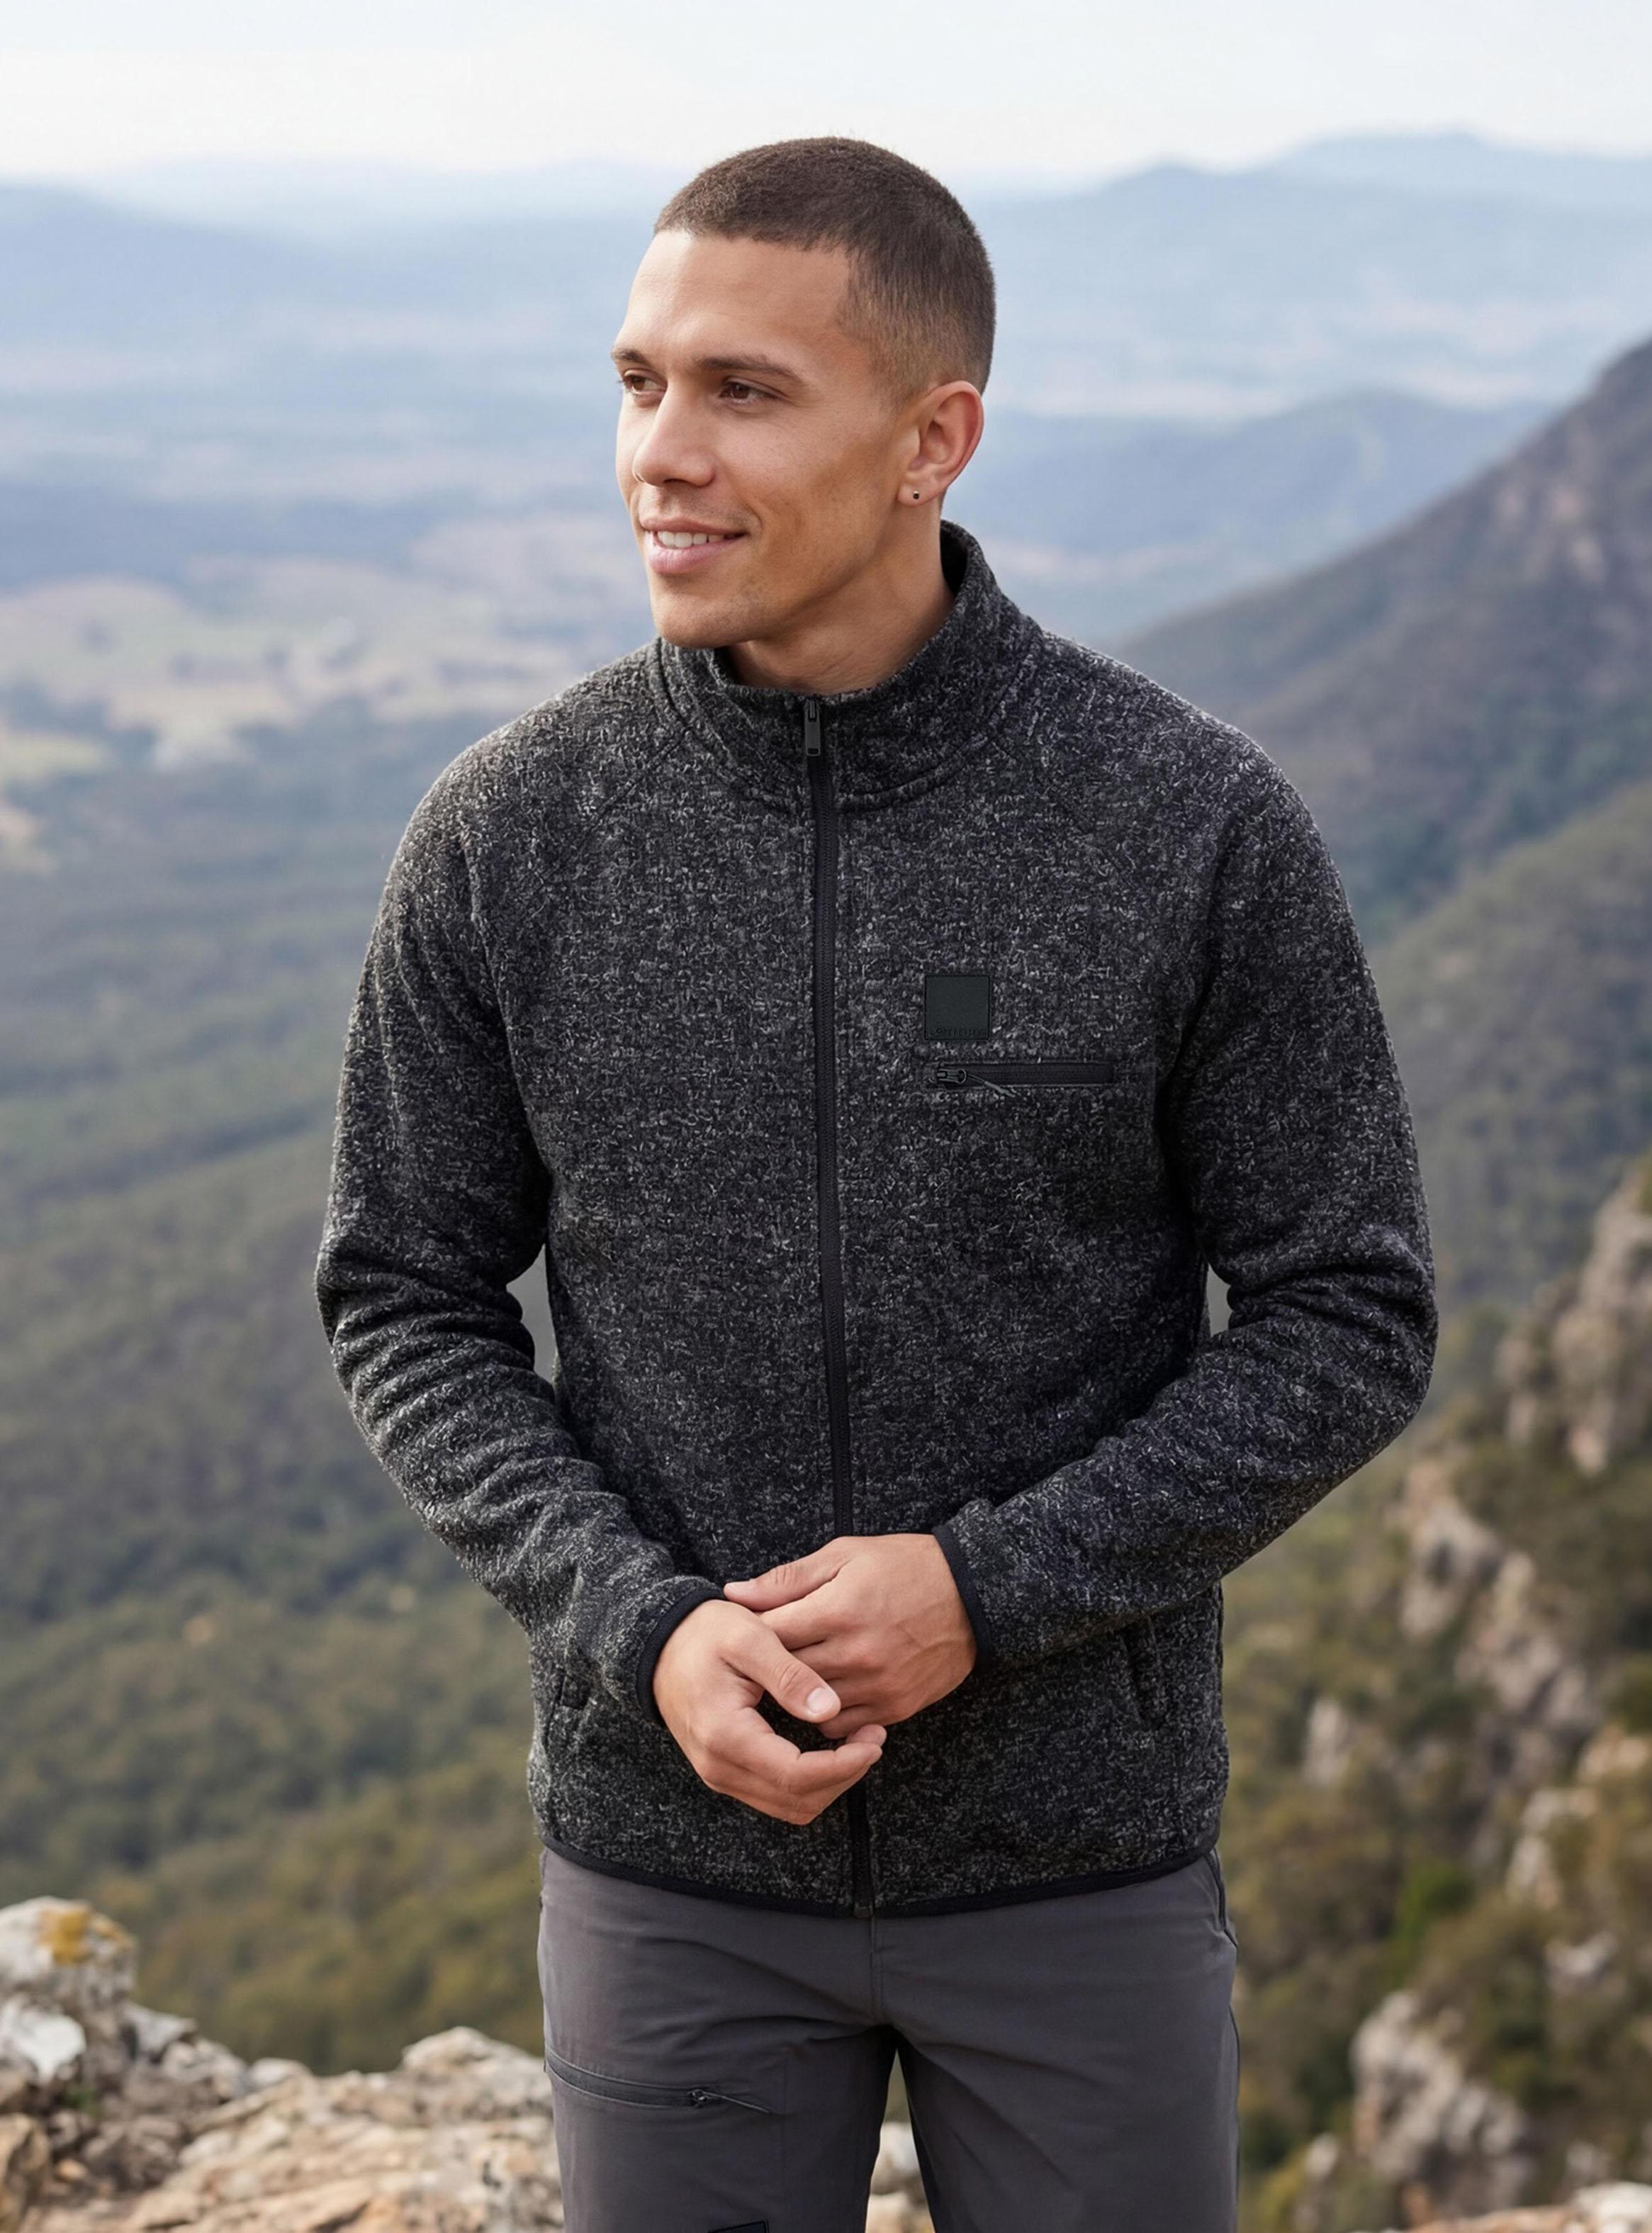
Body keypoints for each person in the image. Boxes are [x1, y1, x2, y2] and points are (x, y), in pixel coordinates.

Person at [315, 134, 1437, 2233]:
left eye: (743, 391)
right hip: (671, 1866)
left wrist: (989, 1593)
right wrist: (637, 1628)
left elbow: (1347, 1315)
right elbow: (402, 1294)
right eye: (638, 382)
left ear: (935, 439)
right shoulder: (508, 835)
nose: (661, 453)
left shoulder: (1185, 825)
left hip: (1076, 1867)